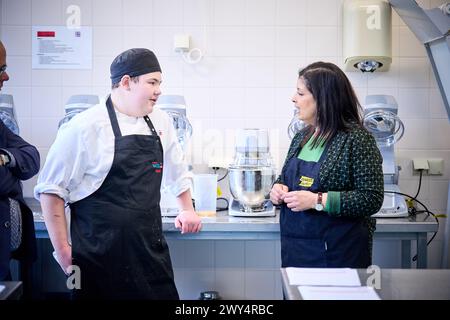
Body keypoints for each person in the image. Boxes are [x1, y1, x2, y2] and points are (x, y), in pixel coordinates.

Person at [35, 48, 202, 299]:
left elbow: (176, 169)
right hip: (97, 258)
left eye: (159, 83)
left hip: (149, 254)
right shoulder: (83, 127)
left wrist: (186, 208)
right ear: (126, 82)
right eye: (152, 82)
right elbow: (50, 190)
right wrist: (62, 251)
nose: (159, 90)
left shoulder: (160, 120)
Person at [270, 61, 384, 269]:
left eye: (301, 93)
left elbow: (371, 198)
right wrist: (277, 190)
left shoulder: (356, 139)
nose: (293, 99)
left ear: (323, 99)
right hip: (297, 251)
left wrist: (317, 200)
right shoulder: (301, 137)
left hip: (339, 253)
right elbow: (284, 179)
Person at [0, 40, 40, 296]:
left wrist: (5, 158)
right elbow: (5, 182)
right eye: (0, 69)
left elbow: (31, 157)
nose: (6, 76)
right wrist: (10, 180)